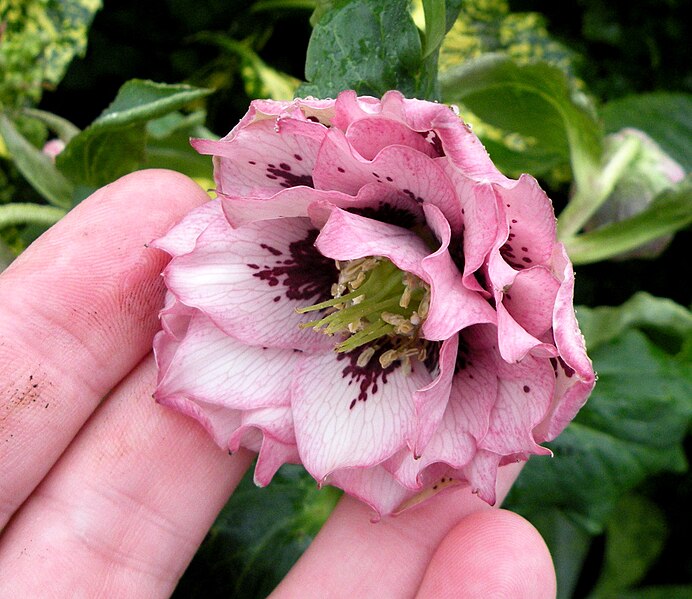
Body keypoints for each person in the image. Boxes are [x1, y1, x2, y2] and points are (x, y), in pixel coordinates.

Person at [0, 169, 556, 597]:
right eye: (370, 288)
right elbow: (213, 268)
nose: (370, 309)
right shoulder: (232, 265)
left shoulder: (491, 338)